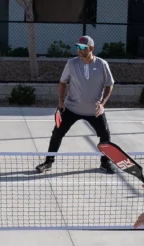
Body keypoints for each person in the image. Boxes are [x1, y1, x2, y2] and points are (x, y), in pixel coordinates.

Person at [36, 35, 115, 174]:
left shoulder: (102, 64)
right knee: (57, 134)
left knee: (105, 135)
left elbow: (110, 85)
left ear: (91, 48)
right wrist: (60, 101)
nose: (78, 50)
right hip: (71, 108)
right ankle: (48, 163)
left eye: (82, 47)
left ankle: (105, 163)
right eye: (77, 47)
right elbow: (62, 82)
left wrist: (102, 104)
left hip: (94, 110)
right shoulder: (71, 63)